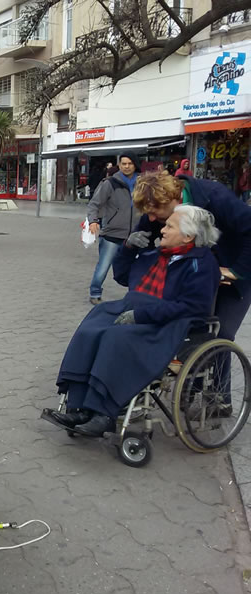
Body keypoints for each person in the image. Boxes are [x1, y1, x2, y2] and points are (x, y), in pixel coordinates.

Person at [47, 204, 221, 437]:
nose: (162, 230)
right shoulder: (159, 255)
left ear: (188, 236)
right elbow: (122, 276)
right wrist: (128, 248)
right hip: (137, 308)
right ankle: (78, 407)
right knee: (91, 328)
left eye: (170, 226)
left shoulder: (201, 263)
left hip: (165, 324)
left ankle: (103, 414)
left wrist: (141, 315)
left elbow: (193, 307)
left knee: (115, 338)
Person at [132, 169, 251, 371]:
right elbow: (142, 247)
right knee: (188, 330)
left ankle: (220, 390)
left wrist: (236, 271)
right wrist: (131, 245)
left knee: (220, 336)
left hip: (234, 271)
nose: (151, 219)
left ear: (172, 200)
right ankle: (190, 383)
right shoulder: (156, 210)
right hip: (193, 276)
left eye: (153, 212)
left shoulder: (214, 196)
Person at [85, 152, 139, 304]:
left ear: (135, 165)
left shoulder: (142, 183)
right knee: (103, 266)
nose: (126, 166)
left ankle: (135, 295)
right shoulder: (110, 183)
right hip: (112, 233)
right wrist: (93, 221)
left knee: (137, 267)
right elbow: (94, 204)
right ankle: (95, 293)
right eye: (123, 164)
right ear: (119, 165)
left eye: (130, 163)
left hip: (135, 234)